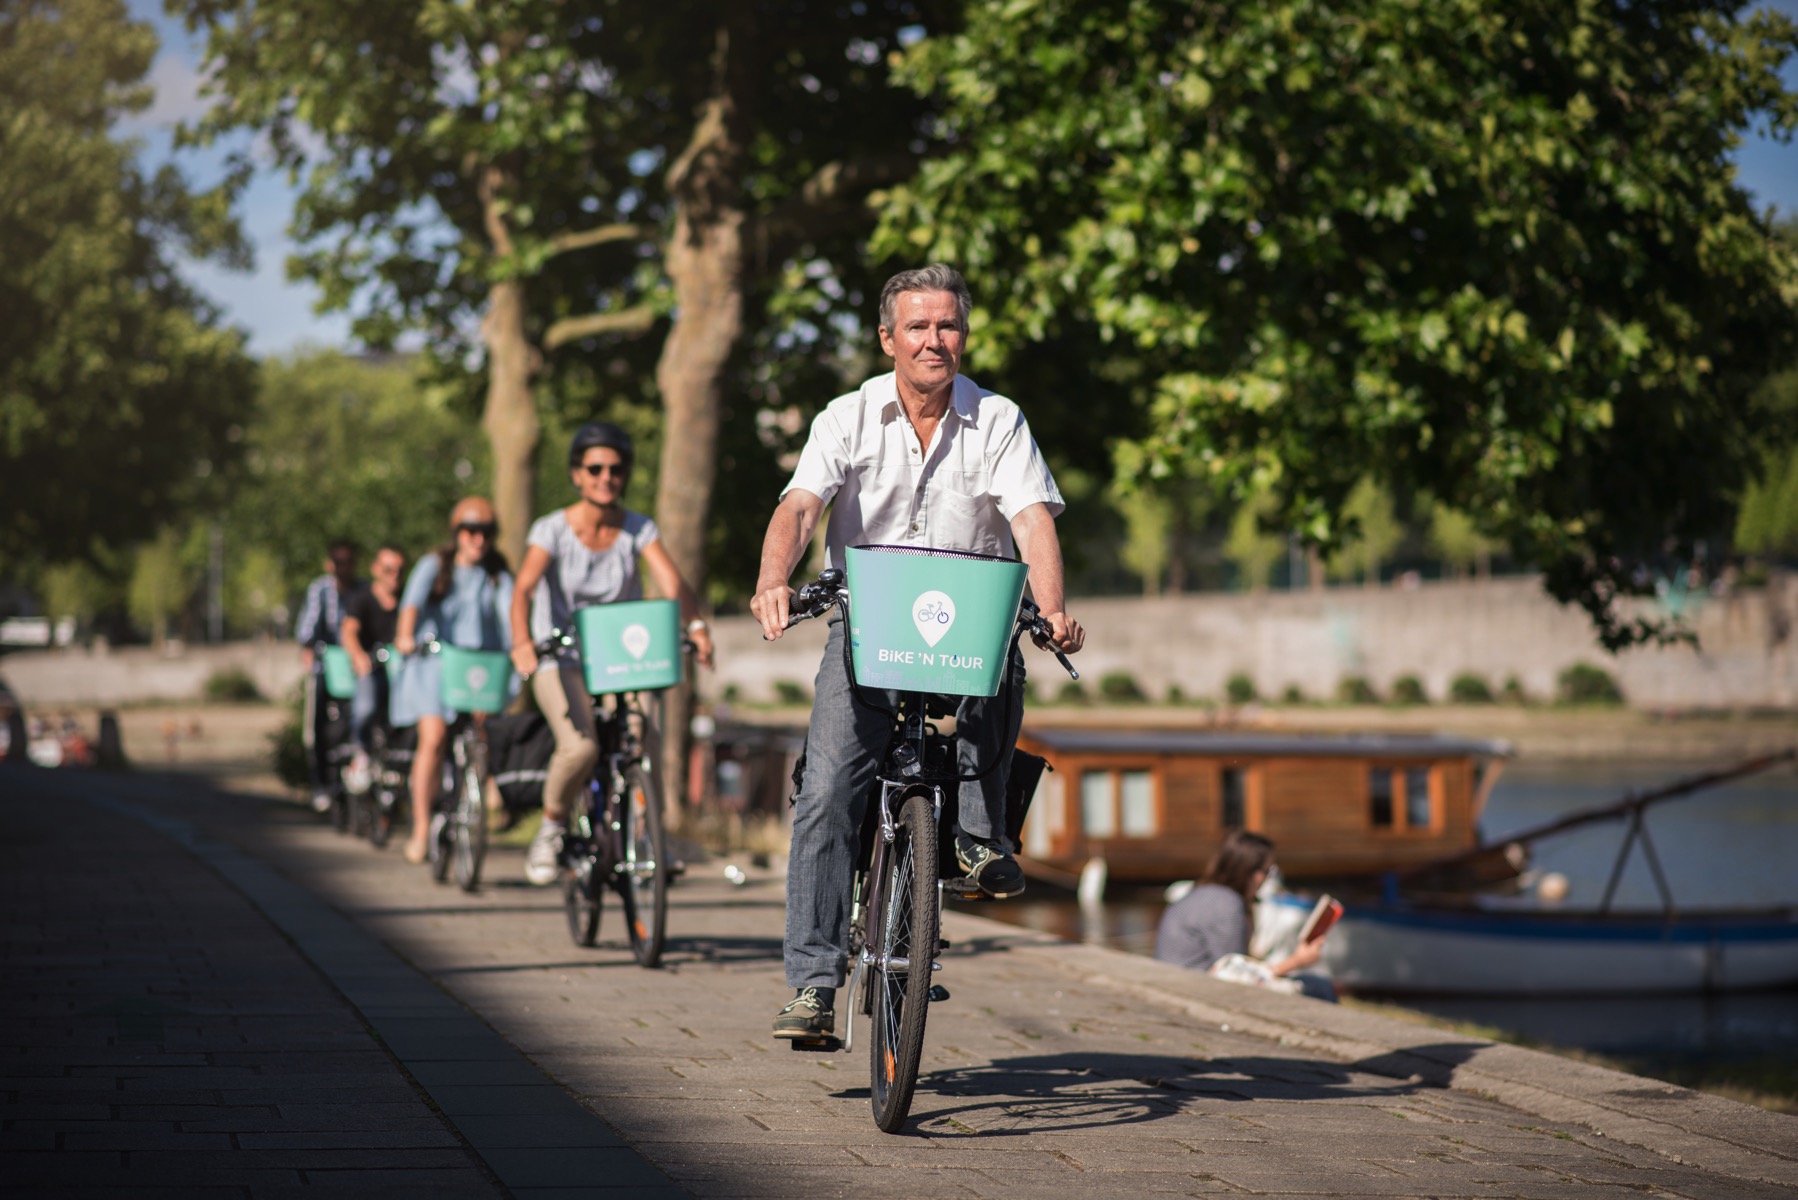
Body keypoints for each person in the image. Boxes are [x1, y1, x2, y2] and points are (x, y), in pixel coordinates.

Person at [749, 263, 1085, 1042]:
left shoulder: (998, 419)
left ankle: (975, 837)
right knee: (829, 787)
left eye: (949, 326)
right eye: (919, 326)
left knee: (1003, 654)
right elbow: (802, 506)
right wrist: (774, 580)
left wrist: (1055, 606)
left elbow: (1031, 519)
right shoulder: (848, 415)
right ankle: (813, 985)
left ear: (963, 336)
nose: (935, 339)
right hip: (868, 614)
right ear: (888, 338)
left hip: (967, 611)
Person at [508, 422, 716, 886]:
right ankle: (552, 827)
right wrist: (522, 641)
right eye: (595, 468)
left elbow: (671, 581)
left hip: (618, 654)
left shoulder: (638, 528)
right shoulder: (551, 531)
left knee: (646, 734)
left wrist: (697, 626)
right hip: (558, 654)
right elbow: (523, 589)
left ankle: (646, 838)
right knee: (580, 746)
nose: (606, 477)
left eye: (616, 469)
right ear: (577, 475)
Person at [391, 498, 514, 864]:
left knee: (483, 727)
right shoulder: (435, 565)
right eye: (471, 531)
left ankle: (484, 782)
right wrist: (405, 635)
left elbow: (511, 613)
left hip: (477, 668)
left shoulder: (497, 574)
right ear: (457, 533)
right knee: (433, 738)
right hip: (434, 664)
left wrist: (522, 644)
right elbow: (410, 604)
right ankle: (420, 826)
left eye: (486, 532)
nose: (478, 539)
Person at [1154, 830, 1335, 1001]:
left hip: (1179, 984)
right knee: (1319, 987)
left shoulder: (1202, 893)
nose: (1267, 879)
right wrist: (1298, 960)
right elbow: (1235, 976)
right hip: (1196, 993)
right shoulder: (1227, 903)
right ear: (1249, 871)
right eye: (1267, 871)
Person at [294, 539, 362, 813]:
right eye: (338, 562)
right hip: (328, 664)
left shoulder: (363, 589)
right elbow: (306, 629)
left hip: (358, 665)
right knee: (318, 722)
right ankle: (320, 783)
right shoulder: (320, 590)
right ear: (330, 564)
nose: (343, 568)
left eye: (348, 562)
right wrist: (309, 651)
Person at [339, 544, 406, 794]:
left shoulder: (406, 600)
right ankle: (362, 752)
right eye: (389, 569)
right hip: (372, 668)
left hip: (400, 672)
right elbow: (348, 631)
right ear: (376, 569)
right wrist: (358, 656)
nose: (394, 576)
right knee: (365, 706)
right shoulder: (362, 599)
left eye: (399, 570)